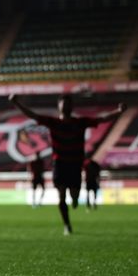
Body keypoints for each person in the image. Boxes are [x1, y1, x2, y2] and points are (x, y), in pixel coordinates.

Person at [9, 94, 125, 235]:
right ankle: (67, 225)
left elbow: (102, 119)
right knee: (61, 195)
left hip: (75, 164)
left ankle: (75, 199)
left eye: (68, 103)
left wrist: (118, 112)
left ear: (71, 107)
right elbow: (33, 115)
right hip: (60, 164)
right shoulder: (53, 122)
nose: (65, 106)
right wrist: (17, 103)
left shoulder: (80, 122)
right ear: (59, 106)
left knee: (74, 194)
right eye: (63, 103)